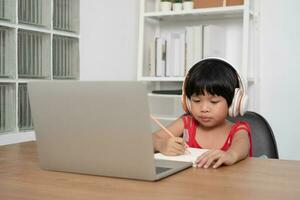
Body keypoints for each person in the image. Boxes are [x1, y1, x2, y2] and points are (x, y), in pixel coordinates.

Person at [152, 58, 252, 169]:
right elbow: (151, 138)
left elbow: (242, 145)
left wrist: (231, 155)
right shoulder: (186, 123)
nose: (204, 108)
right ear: (188, 102)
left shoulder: (238, 130)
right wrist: (161, 145)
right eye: (197, 101)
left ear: (233, 103)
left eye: (214, 102)